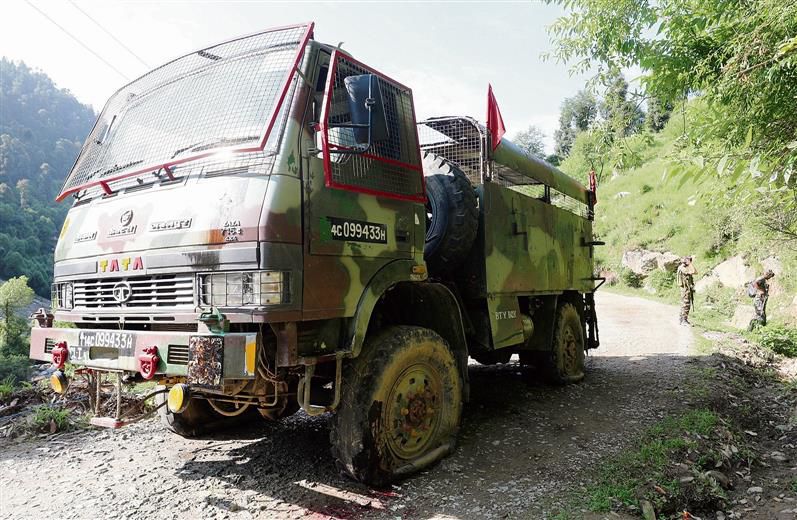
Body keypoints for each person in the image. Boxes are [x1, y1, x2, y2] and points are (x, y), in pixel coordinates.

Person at [676, 256, 697, 325]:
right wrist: (690, 264)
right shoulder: (682, 268)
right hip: (685, 289)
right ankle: (684, 320)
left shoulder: (684, 267)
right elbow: (694, 271)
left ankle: (682, 319)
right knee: (686, 304)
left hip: (686, 288)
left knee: (685, 304)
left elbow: (695, 272)